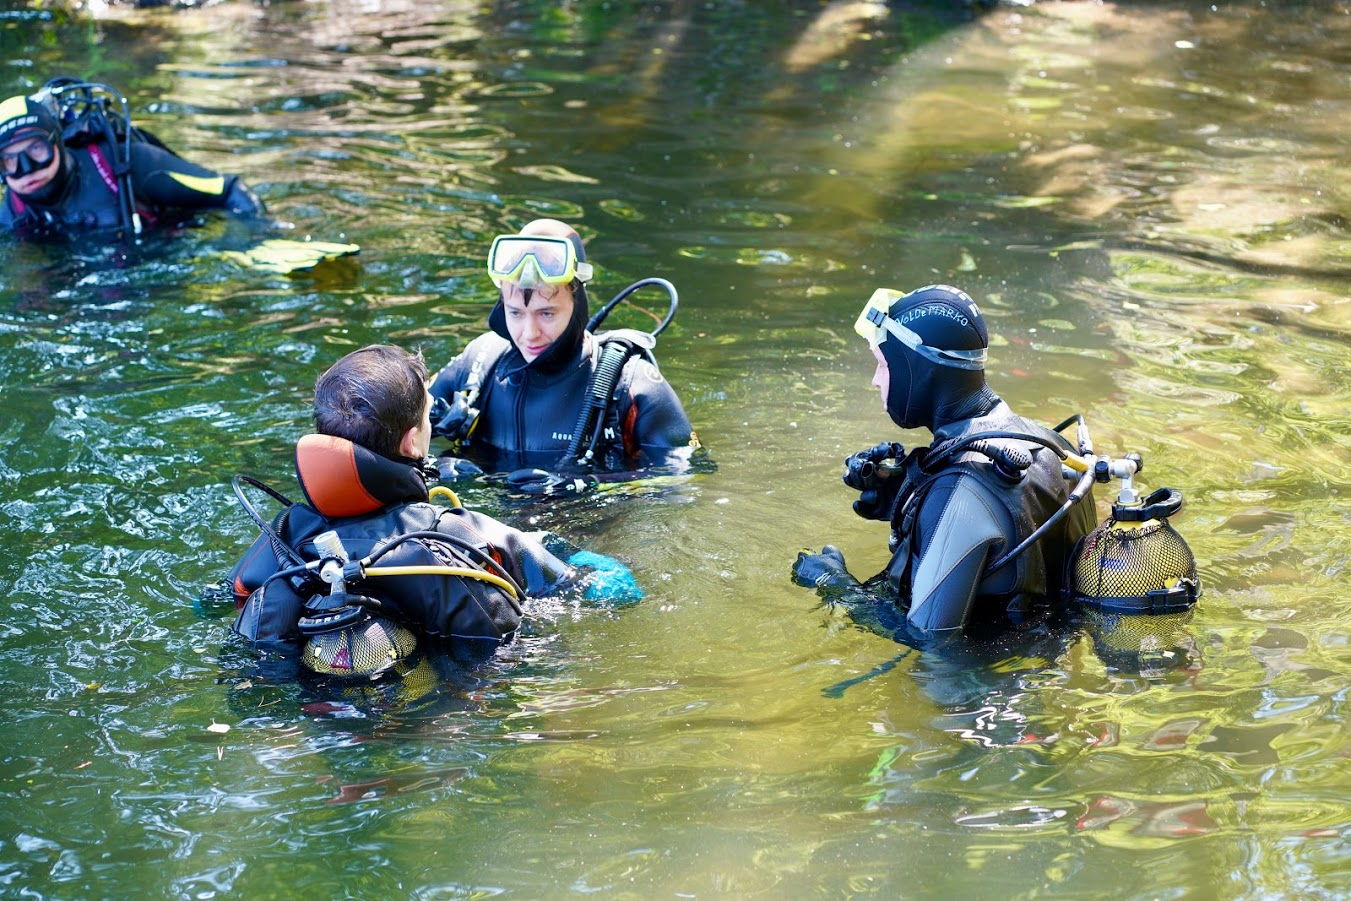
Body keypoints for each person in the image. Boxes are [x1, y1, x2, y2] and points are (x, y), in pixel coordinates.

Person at [228, 344, 631, 671]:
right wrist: (570, 551)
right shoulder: (456, 532)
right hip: (449, 713)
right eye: (426, 418)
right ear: (410, 443)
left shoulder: (285, 536)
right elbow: (613, 593)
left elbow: (214, 599)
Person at [793, 284, 1098, 638]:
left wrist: (832, 583)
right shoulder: (1051, 445)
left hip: (977, 690)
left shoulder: (963, 490)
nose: (876, 380)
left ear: (918, 370)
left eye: (882, 363)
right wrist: (905, 498)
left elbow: (929, 639)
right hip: (1047, 670)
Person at [428, 218, 698, 489]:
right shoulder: (480, 361)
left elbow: (689, 474)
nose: (529, 333)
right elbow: (393, 433)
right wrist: (431, 468)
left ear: (577, 303)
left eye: (547, 313)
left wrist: (590, 485)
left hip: (591, 526)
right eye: (515, 313)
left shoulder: (633, 385)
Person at [0, 83, 262, 240]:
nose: (26, 169)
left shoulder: (127, 164)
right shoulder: (11, 213)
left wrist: (256, 237)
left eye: (36, 148)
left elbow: (228, 189)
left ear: (58, 142)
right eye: (8, 160)